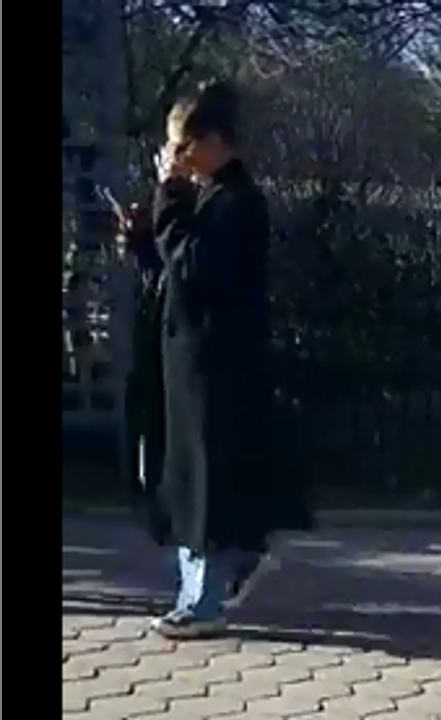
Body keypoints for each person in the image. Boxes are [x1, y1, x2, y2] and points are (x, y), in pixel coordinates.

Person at [118, 79, 313, 639]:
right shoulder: (205, 199)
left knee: (207, 483)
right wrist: (143, 242)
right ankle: (202, 586)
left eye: (184, 146)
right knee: (187, 480)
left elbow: (197, 267)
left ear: (214, 141)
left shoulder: (239, 203)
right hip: (186, 361)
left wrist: (168, 203)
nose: (177, 159)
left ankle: (204, 599)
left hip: (218, 364)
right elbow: (174, 276)